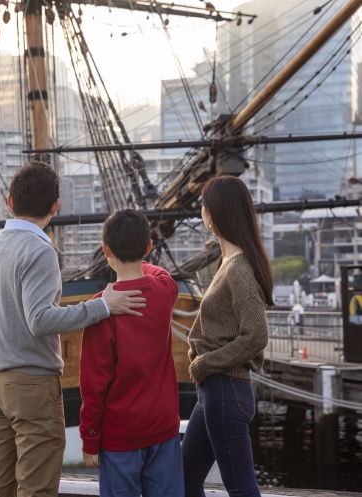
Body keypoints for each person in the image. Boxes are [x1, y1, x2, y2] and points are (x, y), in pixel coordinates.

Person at [0, 162, 147, 497]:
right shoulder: (38, 251)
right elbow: (40, 319)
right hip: (30, 386)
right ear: (55, 207)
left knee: (0, 488)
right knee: (36, 489)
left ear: (10, 201)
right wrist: (103, 306)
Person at [79, 209, 182, 497]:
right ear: (149, 247)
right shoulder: (164, 290)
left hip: (120, 436)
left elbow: (93, 384)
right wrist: (140, 265)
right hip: (163, 428)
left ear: (105, 250)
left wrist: (89, 439)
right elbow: (158, 273)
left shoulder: (102, 308)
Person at [182, 176, 273, 497]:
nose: (202, 212)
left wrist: (207, 363)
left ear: (215, 214)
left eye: (204, 205)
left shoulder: (239, 269)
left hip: (225, 387)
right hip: (215, 391)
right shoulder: (229, 263)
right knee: (185, 479)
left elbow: (256, 335)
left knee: (241, 487)